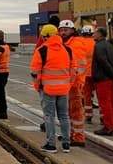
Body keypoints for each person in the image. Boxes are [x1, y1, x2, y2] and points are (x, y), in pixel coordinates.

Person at [31, 24, 74, 154]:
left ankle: (51, 144)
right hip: (64, 89)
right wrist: (68, 85)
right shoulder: (67, 50)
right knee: (64, 116)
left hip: (48, 89)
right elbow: (74, 70)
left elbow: (35, 72)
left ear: (45, 37)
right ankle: (66, 144)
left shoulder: (42, 50)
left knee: (49, 116)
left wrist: (38, 87)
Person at [58, 20, 88, 147]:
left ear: (72, 31)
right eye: (61, 30)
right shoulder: (64, 44)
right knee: (68, 111)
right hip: (68, 83)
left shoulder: (76, 44)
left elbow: (80, 66)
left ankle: (79, 137)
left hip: (74, 83)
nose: (63, 32)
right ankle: (71, 134)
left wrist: (77, 83)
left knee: (76, 111)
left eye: (66, 30)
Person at [92, 27, 113, 136]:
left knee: (105, 104)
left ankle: (108, 126)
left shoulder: (99, 46)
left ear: (100, 34)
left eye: (95, 33)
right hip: (110, 78)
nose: (93, 34)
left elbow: (103, 62)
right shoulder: (109, 45)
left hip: (103, 78)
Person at [79, 26, 97, 124]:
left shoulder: (80, 43)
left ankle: (88, 115)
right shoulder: (96, 43)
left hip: (85, 74)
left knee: (86, 95)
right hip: (96, 73)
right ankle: (103, 118)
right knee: (99, 95)